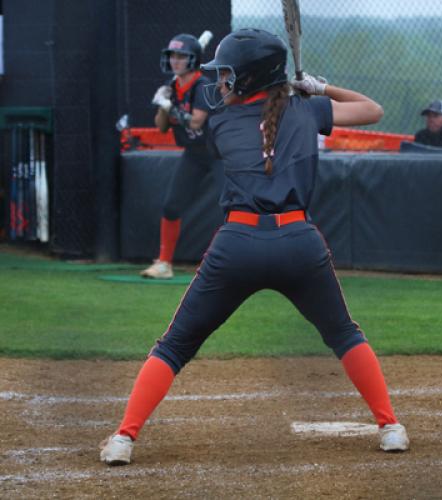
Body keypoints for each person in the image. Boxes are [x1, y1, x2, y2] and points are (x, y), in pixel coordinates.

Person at [100, 28, 409, 465]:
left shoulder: (223, 121)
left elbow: (204, 129)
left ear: (248, 78)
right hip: (299, 242)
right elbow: (373, 110)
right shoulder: (306, 110)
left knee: (173, 346)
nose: (220, 82)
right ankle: (391, 428)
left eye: (227, 74)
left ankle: (123, 438)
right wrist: (319, 88)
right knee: (344, 334)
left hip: (238, 244)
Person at [140, 33, 220, 279]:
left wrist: (170, 107)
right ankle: (164, 263)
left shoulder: (203, 85)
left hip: (220, 154)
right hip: (194, 154)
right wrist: (162, 102)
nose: (175, 61)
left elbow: (196, 122)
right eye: (172, 55)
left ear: (192, 59)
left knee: (233, 207)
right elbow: (162, 126)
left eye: (181, 56)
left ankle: (241, 263)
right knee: (171, 205)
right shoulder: (173, 88)